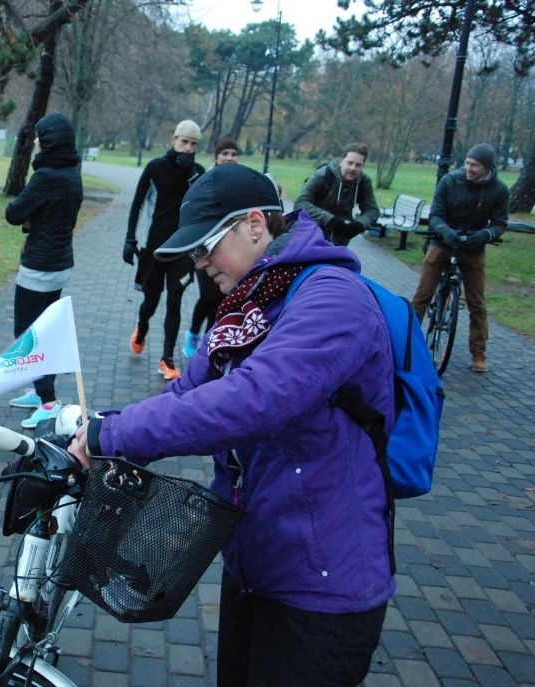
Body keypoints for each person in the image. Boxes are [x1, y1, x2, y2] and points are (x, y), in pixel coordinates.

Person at [70, 163, 396, 686]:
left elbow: (253, 400)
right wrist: (102, 428)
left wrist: (118, 434)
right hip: (256, 562)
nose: (200, 263)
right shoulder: (250, 300)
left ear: (254, 224)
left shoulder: (334, 298)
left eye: (205, 247)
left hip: (323, 583)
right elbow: (188, 392)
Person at [5, 113, 83, 429]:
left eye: (40, 135)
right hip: (60, 263)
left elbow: (13, 213)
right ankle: (38, 393)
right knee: (44, 331)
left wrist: (29, 217)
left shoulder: (47, 176)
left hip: (39, 267)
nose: (36, 140)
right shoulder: (72, 173)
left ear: (50, 140)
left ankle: (48, 401)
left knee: (28, 336)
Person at [410, 143, 508, 373]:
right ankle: (405, 342)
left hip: (473, 247)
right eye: (467, 163)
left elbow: (500, 223)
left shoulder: (499, 190)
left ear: (488, 168)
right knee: (422, 296)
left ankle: (479, 352)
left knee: (477, 302)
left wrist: (485, 234)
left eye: (475, 165)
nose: (469, 169)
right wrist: (445, 231)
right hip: (443, 242)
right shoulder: (450, 181)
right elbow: (435, 215)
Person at [124, 119, 205, 380]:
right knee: (151, 301)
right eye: (184, 141)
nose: (188, 148)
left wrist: (191, 175)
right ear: (174, 140)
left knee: (174, 300)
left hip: (183, 249)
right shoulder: (155, 168)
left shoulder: (198, 172)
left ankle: (167, 359)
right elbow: (137, 204)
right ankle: (141, 328)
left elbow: (204, 208)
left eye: (193, 144)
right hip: (155, 248)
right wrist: (129, 240)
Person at [183, 135, 235, 357]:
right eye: (225, 153)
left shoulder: (239, 181)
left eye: (233, 154)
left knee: (221, 298)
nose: (229, 157)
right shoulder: (205, 179)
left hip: (226, 248)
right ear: (217, 156)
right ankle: (193, 333)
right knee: (207, 296)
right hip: (202, 247)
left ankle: (208, 344)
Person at [294, 142, 380, 246]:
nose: (353, 168)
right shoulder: (323, 175)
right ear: (341, 161)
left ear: (363, 166)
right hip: (312, 230)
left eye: (358, 165)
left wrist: (359, 225)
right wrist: (330, 220)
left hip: (341, 235)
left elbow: (373, 210)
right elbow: (301, 203)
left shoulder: (363, 181)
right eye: (350, 163)